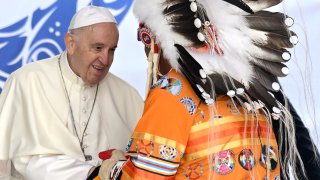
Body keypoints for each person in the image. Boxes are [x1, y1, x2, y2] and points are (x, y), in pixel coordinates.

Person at [94, 0, 320, 180]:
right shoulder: (252, 89)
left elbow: (145, 176)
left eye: (145, 42)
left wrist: (112, 170)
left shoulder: (172, 92)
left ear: (155, 41)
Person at [0, 6, 143, 179]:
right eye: (98, 48)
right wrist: (91, 173)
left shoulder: (128, 95)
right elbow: (16, 162)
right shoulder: (27, 80)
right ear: (71, 44)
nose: (105, 59)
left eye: (111, 50)